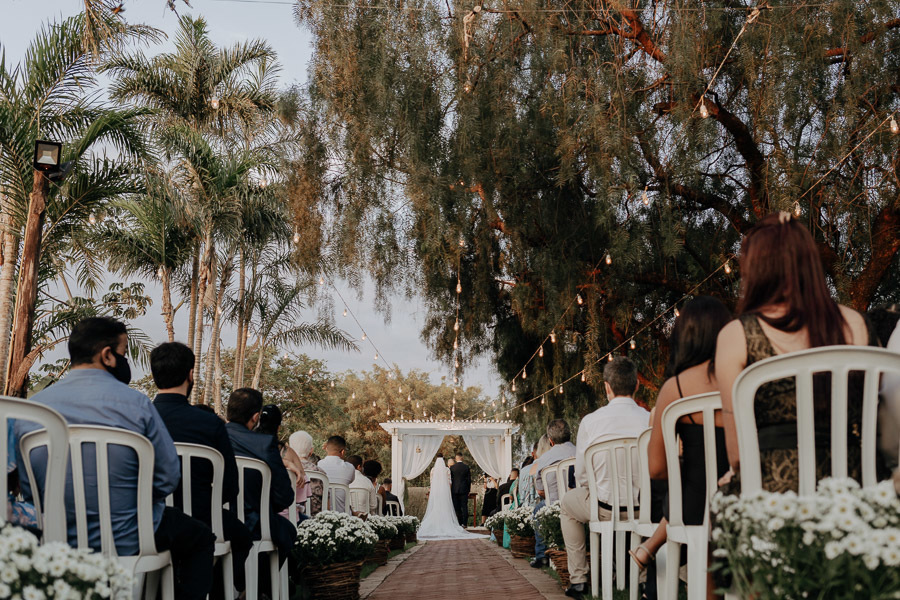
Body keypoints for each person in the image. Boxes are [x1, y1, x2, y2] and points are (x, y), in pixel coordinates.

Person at [15, 317, 215, 600]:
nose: (124, 361)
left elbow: (26, 484)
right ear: (107, 355)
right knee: (202, 539)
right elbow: (168, 477)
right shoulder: (136, 404)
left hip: (54, 536)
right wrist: (134, 498)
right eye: (123, 353)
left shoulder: (33, 409)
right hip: (129, 535)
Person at [715, 213, 871, 493]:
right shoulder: (857, 324)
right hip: (854, 490)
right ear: (809, 262)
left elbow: (737, 456)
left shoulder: (736, 335)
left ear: (755, 270)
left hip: (773, 497)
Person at [629, 297, 732, 599]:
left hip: (694, 503)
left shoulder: (675, 388)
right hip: (742, 493)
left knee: (676, 492)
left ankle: (655, 571)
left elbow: (657, 468)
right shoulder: (742, 378)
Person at [150, 342, 253, 597]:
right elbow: (230, 487)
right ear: (190, 375)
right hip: (204, 517)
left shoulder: (140, 417)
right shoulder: (209, 423)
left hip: (149, 519)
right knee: (242, 538)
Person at [561, 356, 650, 599]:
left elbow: (582, 475)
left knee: (567, 505)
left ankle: (579, 580)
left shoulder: (590, 422)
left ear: (607, 387)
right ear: (637, 385)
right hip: (644, 508)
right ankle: (644, 580)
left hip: (603, 508)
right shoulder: (649, 419)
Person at [225, 387, 296, 587]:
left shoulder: (213, 435)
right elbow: (284, 496)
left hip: (215, 520)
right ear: (256, 417)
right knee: (288, 531)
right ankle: (256, 587)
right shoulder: (264, 444)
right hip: (254, 522)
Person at [530, 419, 576, 568]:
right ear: (569, 434)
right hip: (578, 502)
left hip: (553, 503)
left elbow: (540, 490)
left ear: (550, 440)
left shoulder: (544, 459)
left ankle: (541, 555)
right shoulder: (580, 452)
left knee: (538, 510)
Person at [256, 404, 307, 521]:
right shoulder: (288, 452)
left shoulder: (247, 448)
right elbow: (301, 484)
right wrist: (287, 463)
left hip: (248, 512)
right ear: (278, 428)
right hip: (282, 515)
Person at [418, 455, 487, 540]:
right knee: (447, 508)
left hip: (436, 492)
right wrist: (449, 491)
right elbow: (450, 482)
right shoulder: (447, 469)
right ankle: (458, 523)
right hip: (445, 492)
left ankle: (436, 524)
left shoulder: (433, 470)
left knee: (436, 507)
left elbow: (431, 481)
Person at [289, 430, 324, 516]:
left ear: (290, 449)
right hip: (315, 519)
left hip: (290, 518)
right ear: (311, 451)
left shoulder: (286, 469)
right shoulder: (320, 473)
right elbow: (326, 502)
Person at [317, 435, 355, 512]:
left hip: (323, 512)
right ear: (343, 451)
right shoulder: (350, 467)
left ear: (326, 449)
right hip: (344, 513)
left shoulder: (319, 465)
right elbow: (351, 481)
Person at [520, 436, 551, 507]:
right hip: (545, 505)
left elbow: (520, 493)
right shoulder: (548, 466)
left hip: (526, 507)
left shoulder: (523, 470)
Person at [449, 452, 471, 526]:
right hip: (464, 490)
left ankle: (459, 522)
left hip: (455, 490)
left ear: (456, 458)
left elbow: (450, 479)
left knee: (457, 507)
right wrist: (469, 490)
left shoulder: (452, 468)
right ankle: (465, 523)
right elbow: (469, 480)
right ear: (462, 458)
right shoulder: (466, 467)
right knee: (464, 507)